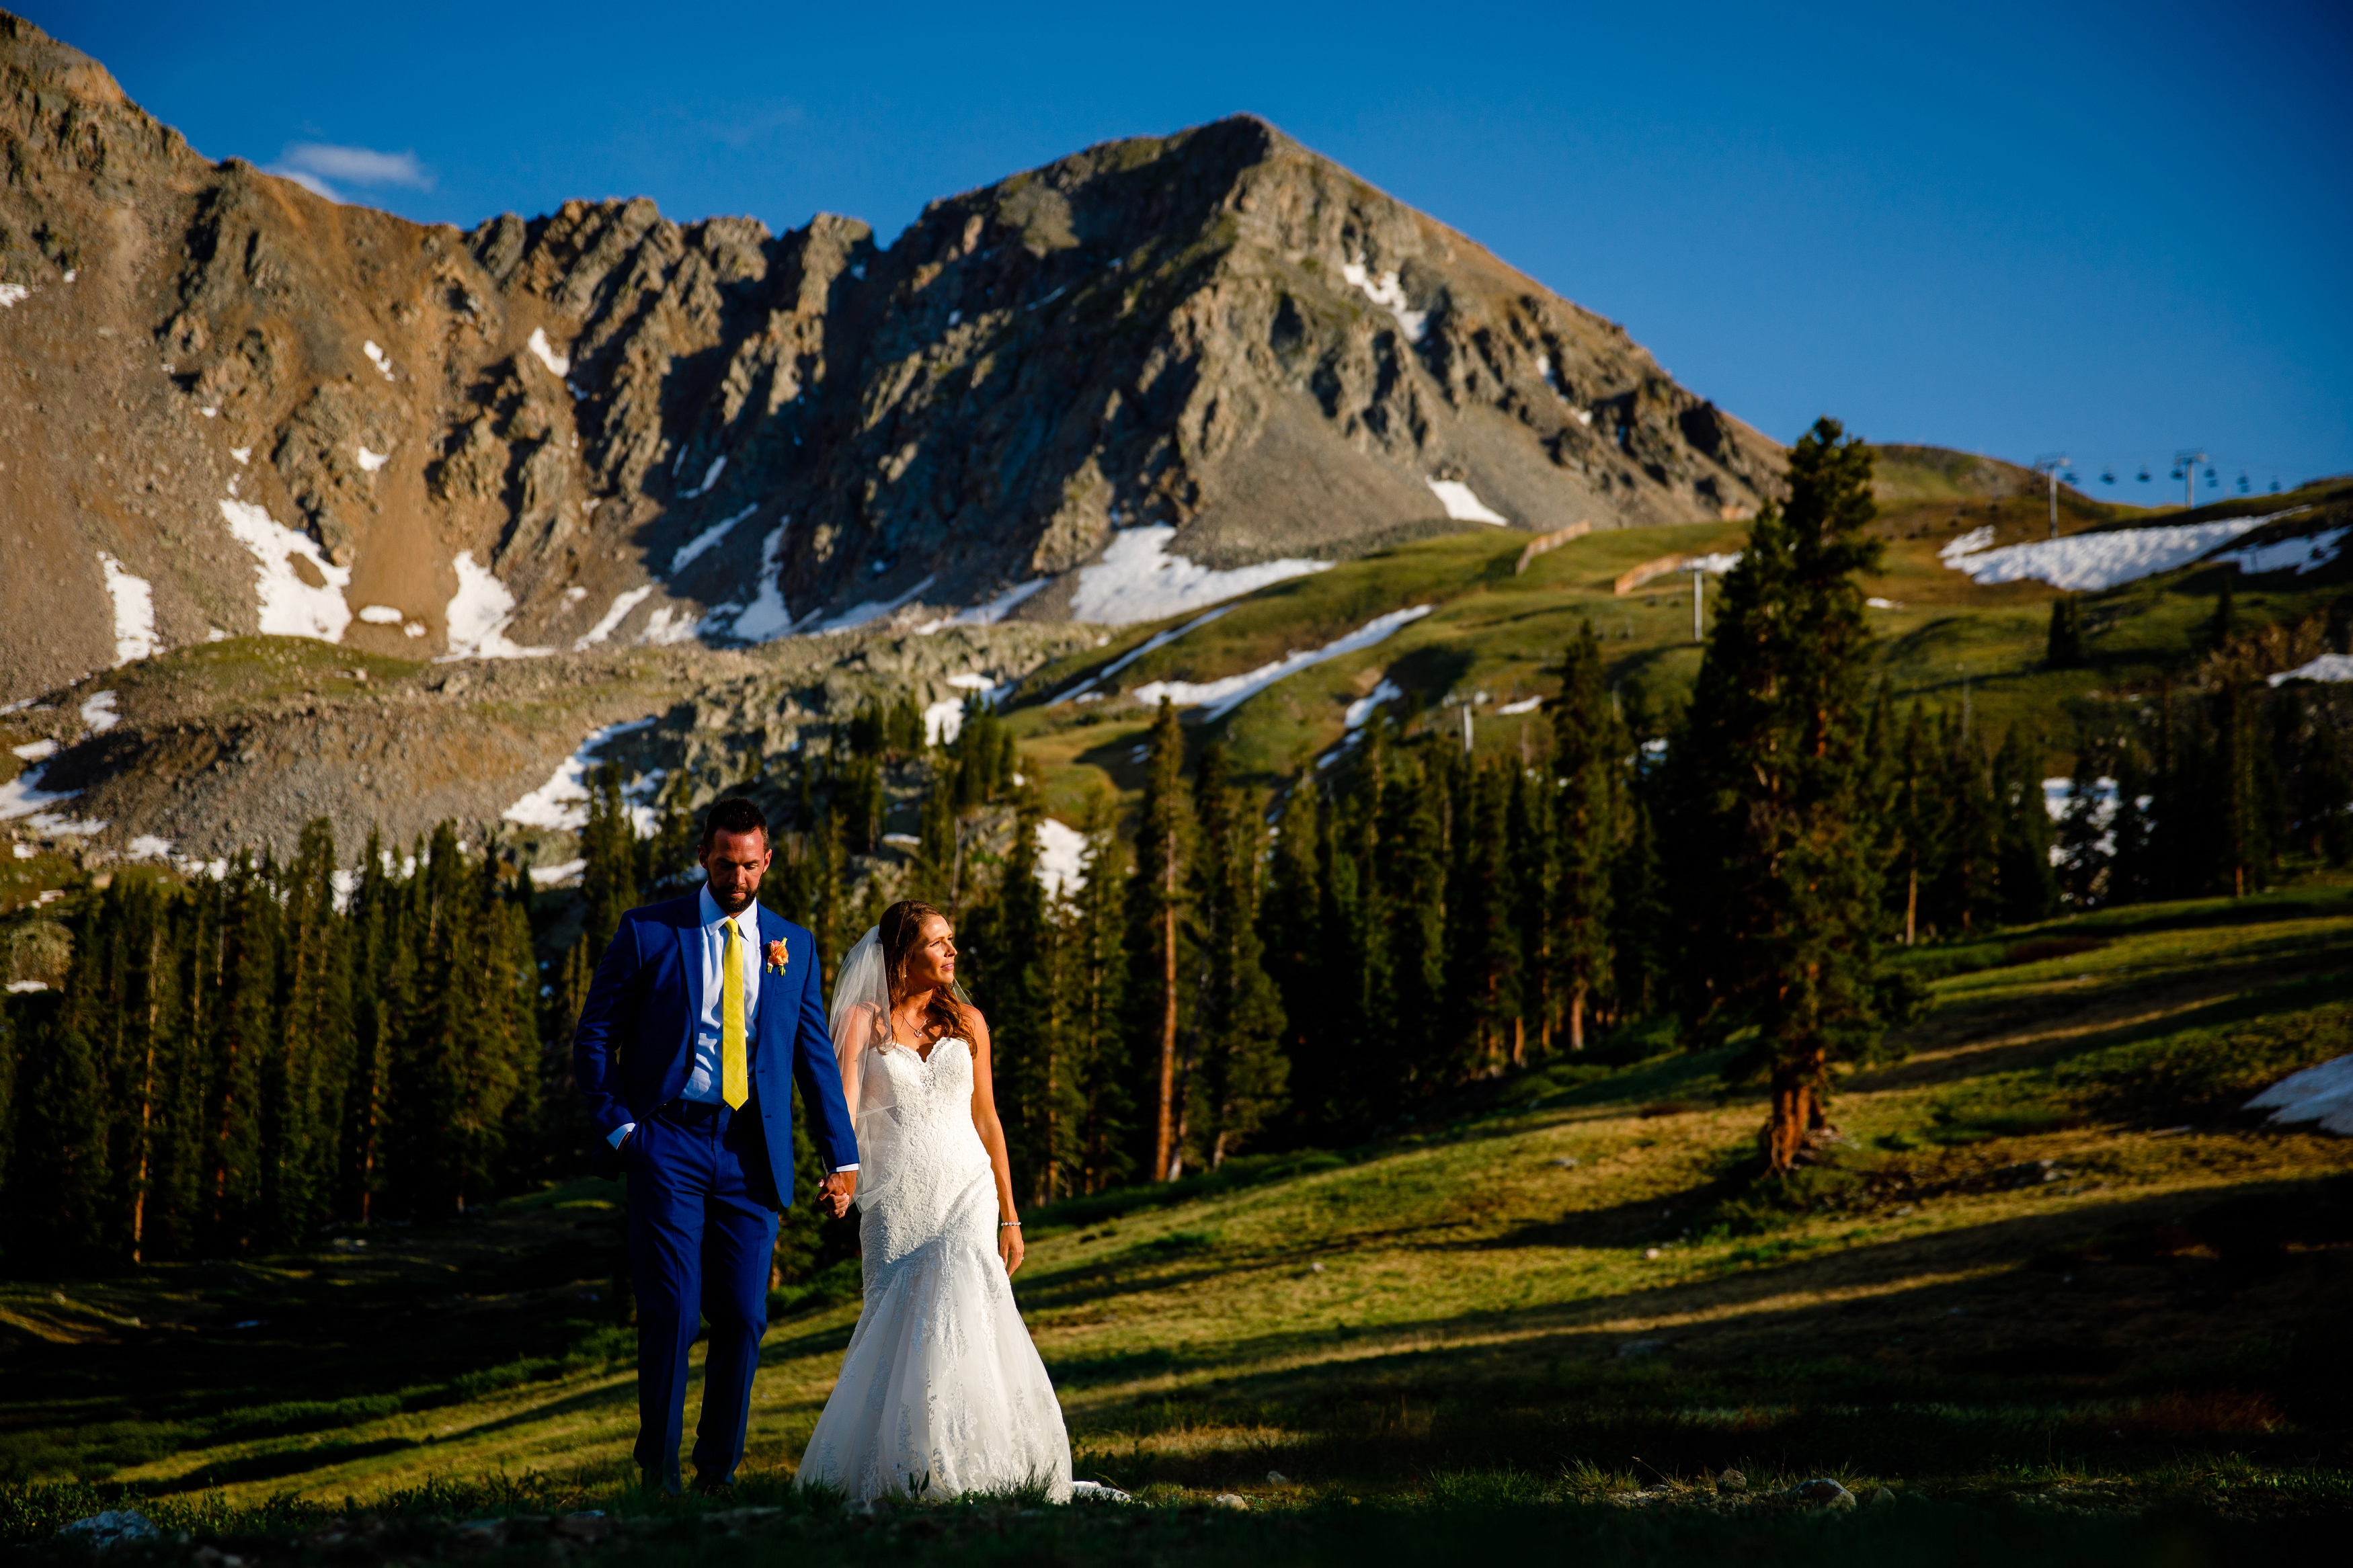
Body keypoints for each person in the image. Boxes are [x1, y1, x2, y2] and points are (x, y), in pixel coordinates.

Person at [572, 797, 859, 1494]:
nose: (737, 877)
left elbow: (813, 1056)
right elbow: (592, 1035)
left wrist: (841, 1158)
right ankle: (659, 1474)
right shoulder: (648, 931)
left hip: (749, 1153)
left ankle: (716, 1474)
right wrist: (621, 1128)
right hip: (665, 1140)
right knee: (671, 1309)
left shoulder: (793, 943)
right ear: (704, 856)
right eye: (726, 863)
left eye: (750, 864)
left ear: (767, 862)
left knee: (744, 1313)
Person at [794, 900, 1074, 1501]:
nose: (951, 952)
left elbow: (988, 1119)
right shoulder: (862, 1022)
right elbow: (842, 1112)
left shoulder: (969, 1021)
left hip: (966, 1189)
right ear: (902, 954)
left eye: (952, 940)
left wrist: (1011, 1214)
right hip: (896, 1197)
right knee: (894, 1328)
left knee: (966, 1316)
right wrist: (839, 1181)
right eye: (937, 942)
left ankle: (979, 1466)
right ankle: (896, 1468)